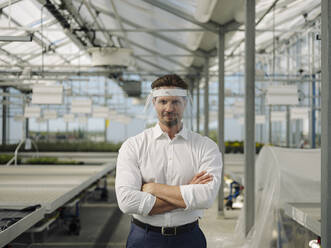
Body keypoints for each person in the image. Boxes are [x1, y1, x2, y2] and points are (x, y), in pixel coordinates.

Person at [115, 74, 222, 248]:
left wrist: (153, 189)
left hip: (189, 238)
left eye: (176, 102)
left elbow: (206, 197)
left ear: (185, 103)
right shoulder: (133, 146)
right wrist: (188, 194)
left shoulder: (205, 146)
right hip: (144, 238)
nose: (169, 108)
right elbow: (127, 202)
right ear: (154, 103)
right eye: (163, 101)